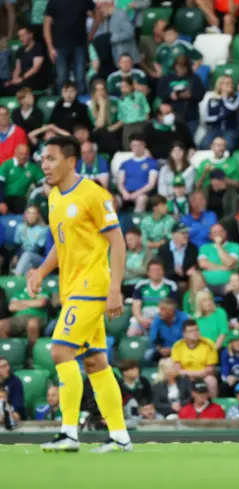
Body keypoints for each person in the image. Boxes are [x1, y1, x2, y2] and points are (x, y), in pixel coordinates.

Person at [27, 135, 132, 452]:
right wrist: (41, 271)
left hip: (92, 286)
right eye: (43, 159)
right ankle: (120, 437)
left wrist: (115, 288)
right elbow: (61, 246)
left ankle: (69, 433)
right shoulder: (54, 197)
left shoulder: (94, 194)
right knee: (96, 363)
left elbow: (118, 242)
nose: (44, 165)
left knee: (59, 351)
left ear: (71, 161)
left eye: (51, 159)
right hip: (72, 289)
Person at [43, 0, 94, 94]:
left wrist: (92, 32)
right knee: (61, 79)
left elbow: (97, 13)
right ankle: (63, 104)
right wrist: (50, 48)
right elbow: (46, 26)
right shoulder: (54, 2)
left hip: (79, 45)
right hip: (59, 46)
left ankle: (80, 104)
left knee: (80, 78)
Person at [171, 319, 219, 398]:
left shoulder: (209, 344)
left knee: (211, 380)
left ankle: (212, 407)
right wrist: (196, 373)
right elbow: (177, 370)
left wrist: (196, 374)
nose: (195, 333)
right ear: (184, 334)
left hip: (204, 376)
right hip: (185, 378)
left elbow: (210, 369)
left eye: (197, 330)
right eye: (191, 331)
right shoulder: (177, 346)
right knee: (175, 379)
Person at [117, 136, 159, 212]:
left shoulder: (152, 163)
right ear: (131, 147)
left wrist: (135, 194)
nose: (137, 148)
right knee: (111, 200)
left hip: (142, 194)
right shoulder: (125, 164)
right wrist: (125, 193)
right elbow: (120, 183)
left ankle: (136, 222)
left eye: (139, 145)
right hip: (125, 193)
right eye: (134, 145)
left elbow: (151, 184)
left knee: (141, 199)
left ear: (144, 146)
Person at [198, 223, 239, 296]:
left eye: (220, 231)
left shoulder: (235, 246)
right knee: (195, 277)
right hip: (206, 284)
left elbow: (229, 263)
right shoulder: (204, 248)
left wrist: (218, 246)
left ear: (225, 233)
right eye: (215, 232)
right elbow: (203, 264)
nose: (218, 234)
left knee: (234, 285)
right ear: (210, 236)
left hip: (227, 284)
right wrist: (223, 268)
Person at [0, 144, 44, 215]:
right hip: (4, 197)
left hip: (20, 199)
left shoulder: (33, 168)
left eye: (26, 154)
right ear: (15, 153)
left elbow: (44, 181)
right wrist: (1, 202)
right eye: (21, 153)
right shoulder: (7, 165)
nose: (23, 156)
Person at [158, 222, 199, 287]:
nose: (186, 235)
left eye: (187, 233)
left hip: (186, 280)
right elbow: (162, 268)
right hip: (167, 279)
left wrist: (183, 273)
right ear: (174, 234)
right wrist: (174, 271)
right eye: (183, 233)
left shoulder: (192, 249)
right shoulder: (163, 249)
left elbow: (193, 267)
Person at [0, 357, 24, 421]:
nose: (8, 368)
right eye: (4, 366)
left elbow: (17, 407)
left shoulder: (15, 381)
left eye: (8, 365)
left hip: (12, 413)